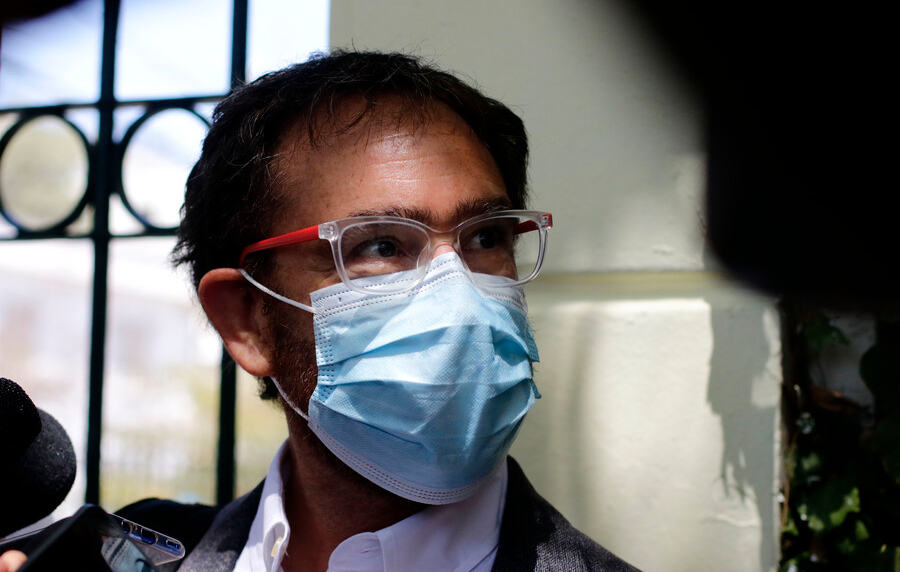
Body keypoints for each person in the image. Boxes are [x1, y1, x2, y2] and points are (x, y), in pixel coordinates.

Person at [2, 51, 637, 572]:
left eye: (485, 238)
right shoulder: (140, 554)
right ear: (247, 320)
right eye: (380, 246)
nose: (460, 297)